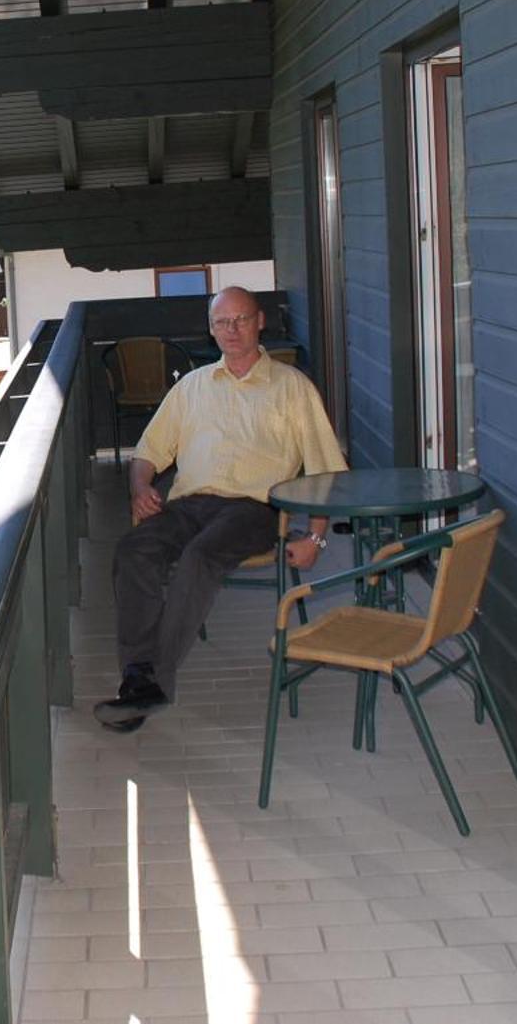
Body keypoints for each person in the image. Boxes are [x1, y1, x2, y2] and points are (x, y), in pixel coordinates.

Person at [96, 285, 347, 731]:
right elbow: (148, 453)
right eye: (222, 322)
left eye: (241, 319)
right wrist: (140, 487)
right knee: (134, 550)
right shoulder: (192, 388)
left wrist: (316, 536)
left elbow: (325, 472)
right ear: (211, 330)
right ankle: (137, 675)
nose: (232, 330)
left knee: (199, 557)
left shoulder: (292, 389)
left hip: (255, 509)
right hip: (190, 505)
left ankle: (152, 679)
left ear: (260, 322)